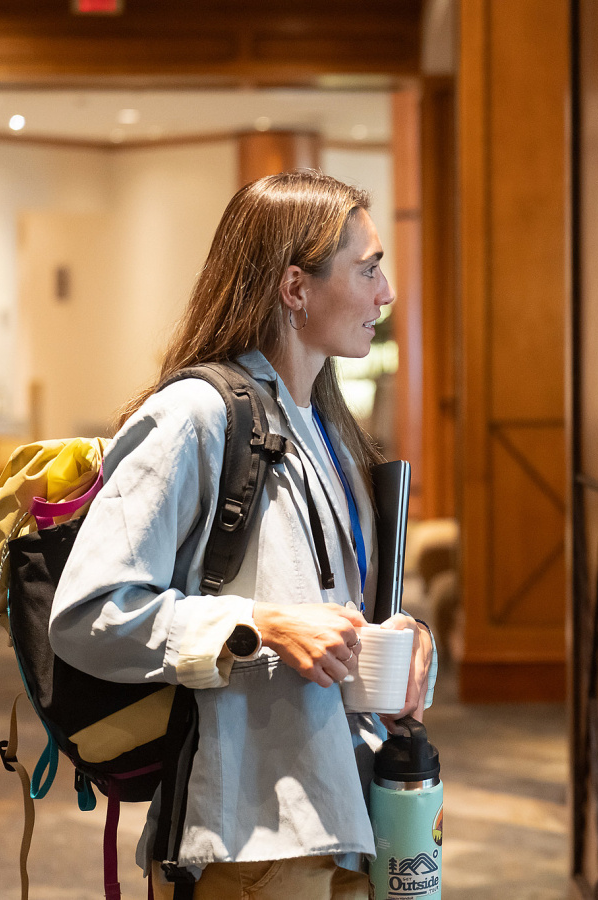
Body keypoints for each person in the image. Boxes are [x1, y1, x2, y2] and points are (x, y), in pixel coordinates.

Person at [50, 171, 434, 900]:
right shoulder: (195, 415)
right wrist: (256, 625)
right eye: (369, 268)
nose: (385, 294)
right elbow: (86, 614)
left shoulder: (322, 426)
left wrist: (410, 643)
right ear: (296, 287)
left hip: (351, 817)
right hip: (250, 839)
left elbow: (335, 607)